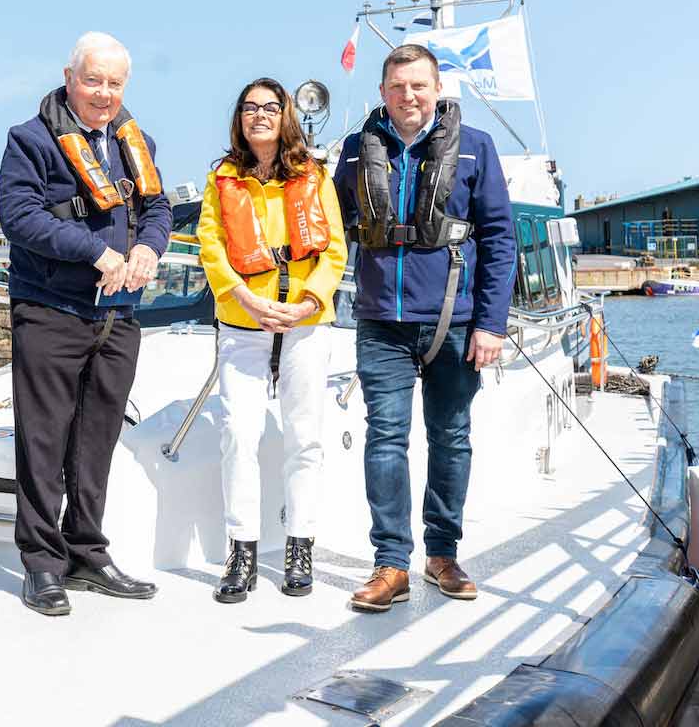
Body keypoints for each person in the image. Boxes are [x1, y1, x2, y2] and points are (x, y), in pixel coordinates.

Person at [332, 43, 516, 612]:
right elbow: (332, 225)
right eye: (396, 87)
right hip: (381, 320)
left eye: (418, 86)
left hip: (455, 324)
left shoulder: (477, 149)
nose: (407, 96)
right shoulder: (355, 151)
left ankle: (441, 553)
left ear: (437, 90)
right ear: (383, 92)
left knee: (451, 436)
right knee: (385, 438)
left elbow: (500, 240)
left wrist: (490, 323)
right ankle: (391, 564)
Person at [0, 31, 172, 617]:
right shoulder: (30, 140)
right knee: (42, 443)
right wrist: (94, 253)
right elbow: (19, 217)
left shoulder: (136, 142)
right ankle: (42, 565)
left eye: (114, 83)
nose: (103, 93)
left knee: (97, 441)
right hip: (51, 310)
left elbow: (158, 210)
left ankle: (86, 552)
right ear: (70, 76)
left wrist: (148, 250)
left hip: (118, 317)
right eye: (93, 80)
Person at [197, 79, 348, 603]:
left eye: (269, 107)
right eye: (248, 107)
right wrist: (246, 299)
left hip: (306, 319)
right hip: (243, 321)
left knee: (304, 437)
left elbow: (333, 250)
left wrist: (309, 301)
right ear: (238, 118)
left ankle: (299, 545)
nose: (258, 115)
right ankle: (241, 551)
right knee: (238, 434)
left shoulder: (314, 174)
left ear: (284, 115)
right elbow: (211, 248)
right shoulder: (222, 178)